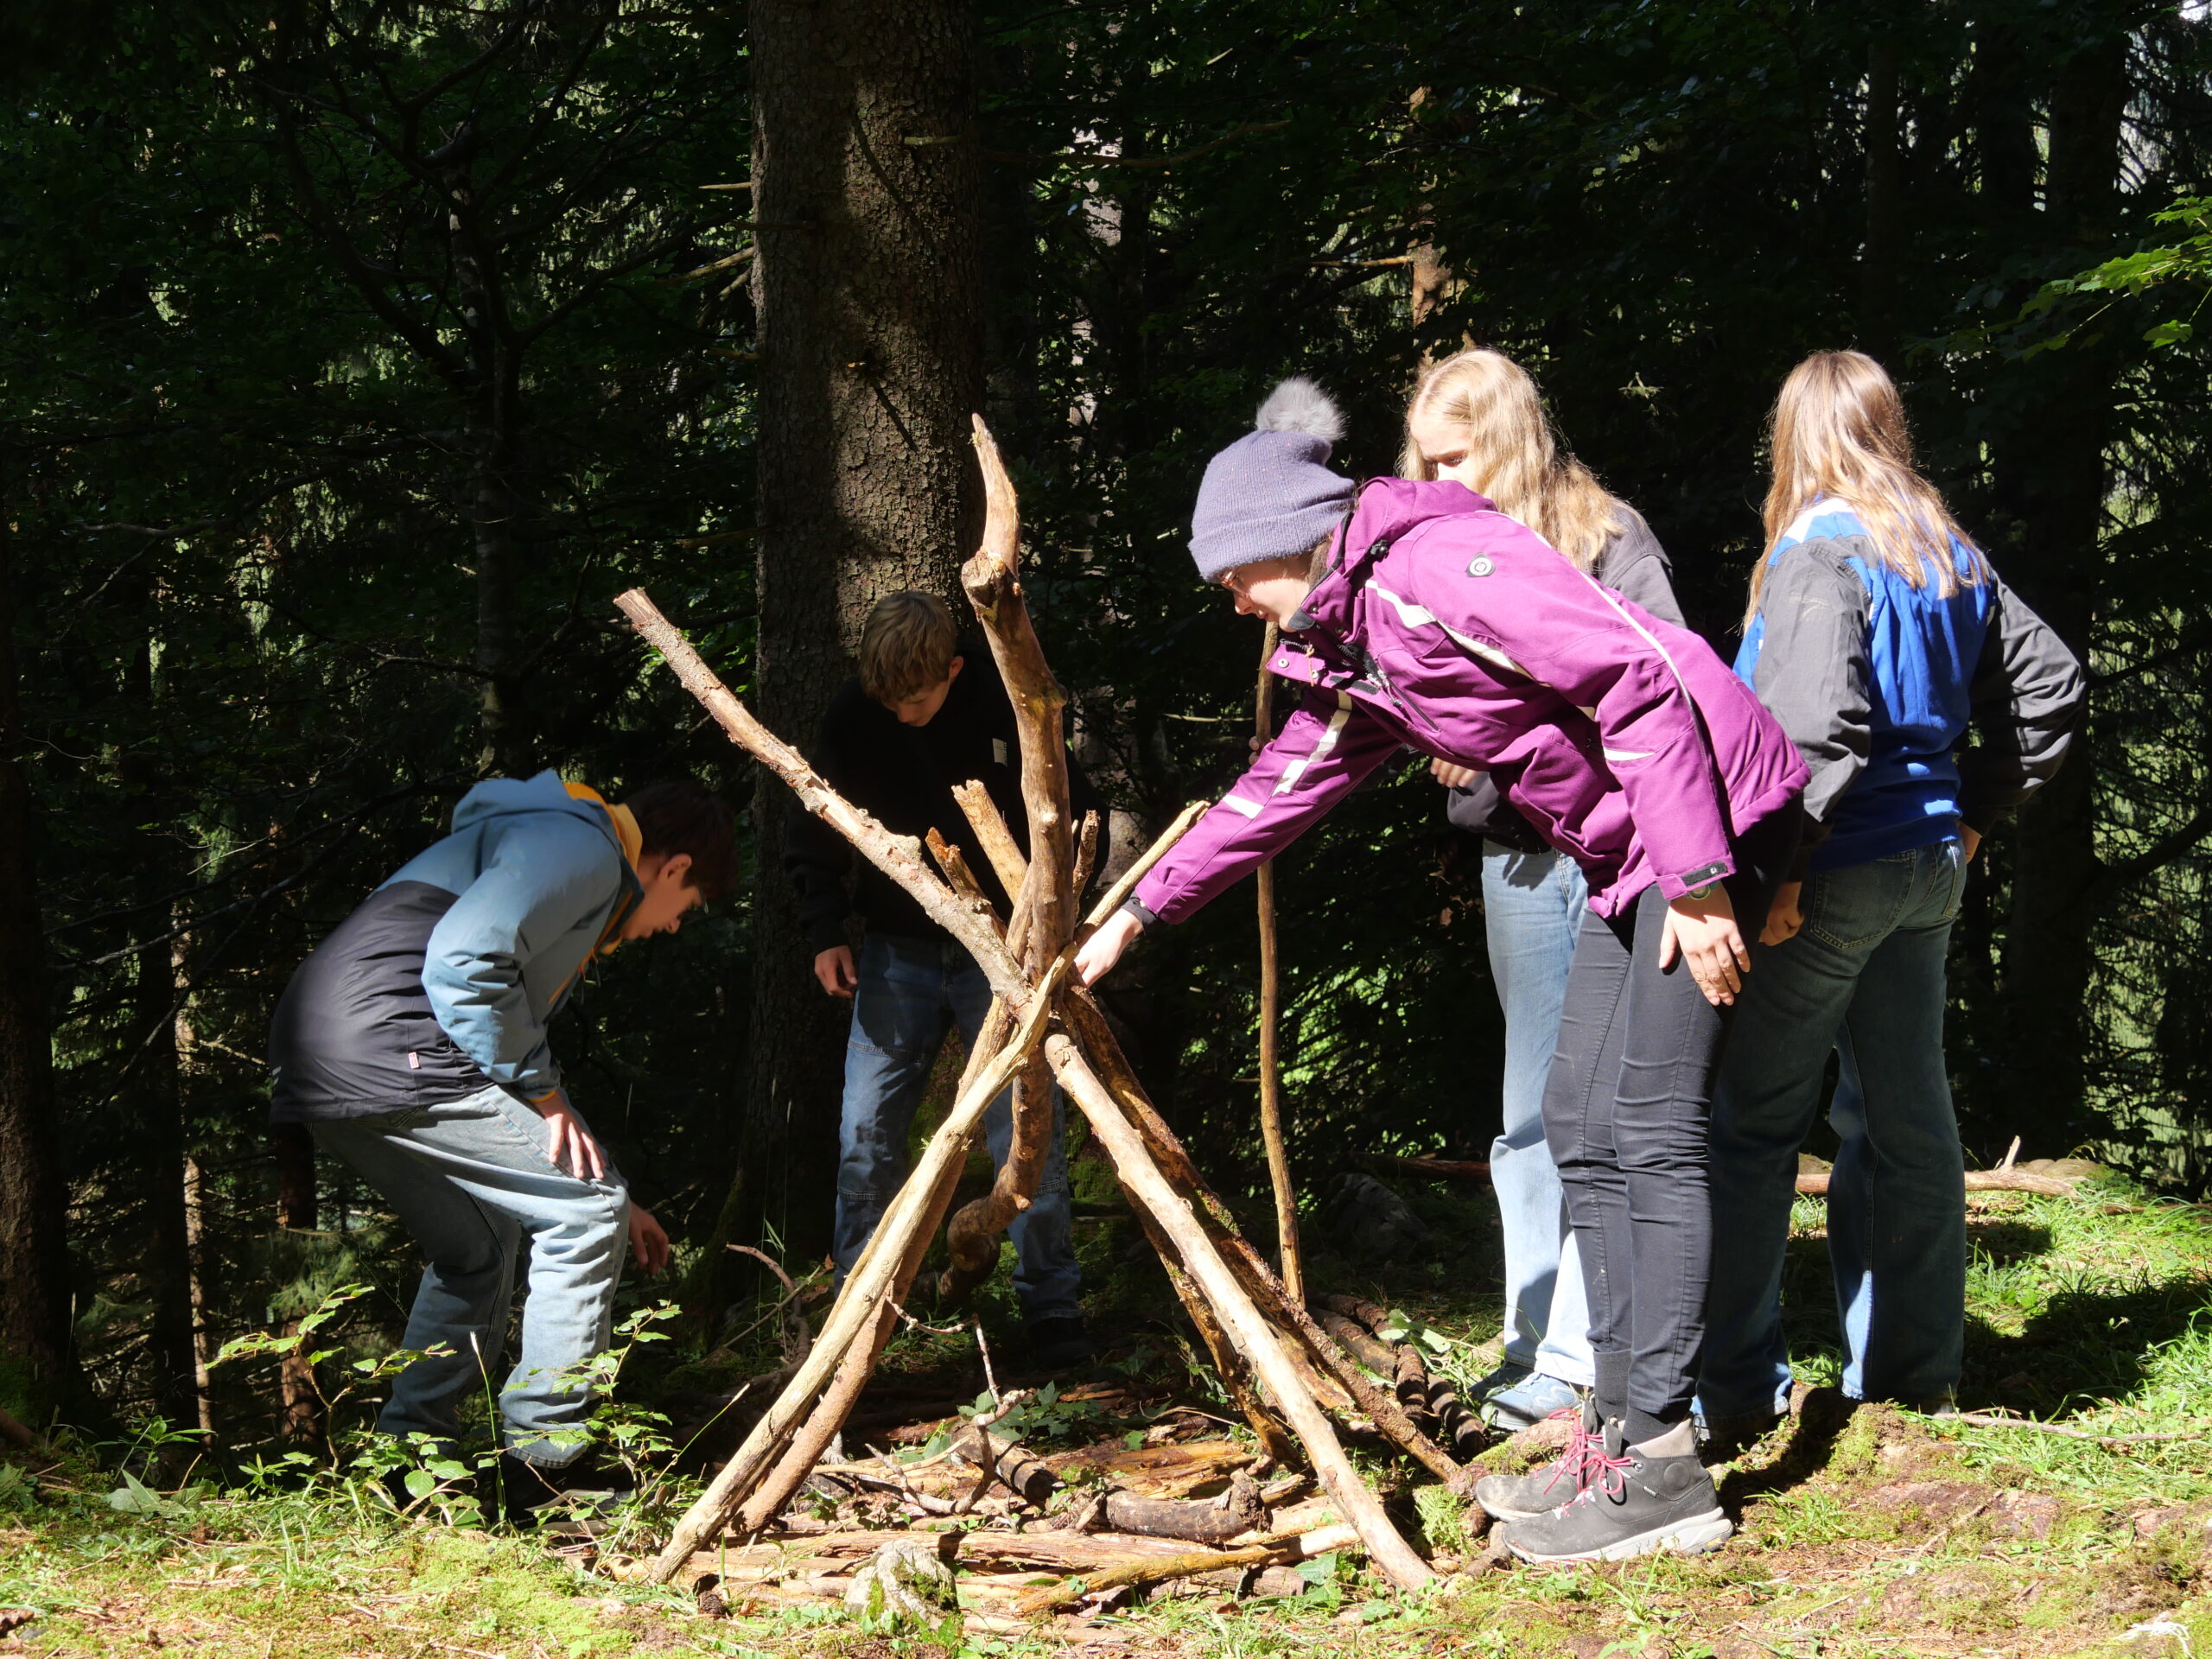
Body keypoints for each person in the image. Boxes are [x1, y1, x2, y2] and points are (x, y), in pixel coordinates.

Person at [1077, 376, 1806, 1562]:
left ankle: (1666, 1466)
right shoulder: (1355, 636)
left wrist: (1699, 877)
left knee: (1651, 1125)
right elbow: (1276, 791)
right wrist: (1135, 916)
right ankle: (1614, 1432)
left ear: (1285, 537)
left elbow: (1637, 677)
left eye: (1232, 575)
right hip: (1633, 846)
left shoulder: (1437, 568)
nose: (1232, 601)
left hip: (1705, 818)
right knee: (1580, 1120)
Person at [1698, 352, 2083, 1438]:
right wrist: (1969, 817)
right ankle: (1915, 1382)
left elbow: (1815, 734)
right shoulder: (1943, 550)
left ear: (1793, 438)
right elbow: (2051, 687)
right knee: (1906, 1120)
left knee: (1753, 1126)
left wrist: (1781, 873)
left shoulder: (1815, 555)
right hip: (1923, 869)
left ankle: (1732, 1390)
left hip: (1833, 871)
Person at [268, 772, 735, 1518]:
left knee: (478, 1249)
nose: (676, 925)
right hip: (390, 1041)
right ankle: (549, 1464)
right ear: (674, 867)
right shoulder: (584, 848)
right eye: (691, 904)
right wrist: (596, 1188)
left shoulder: (549, 840)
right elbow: (463, 967)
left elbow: (501, 1057)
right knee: (584, 1214)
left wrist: (611, 1186)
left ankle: (409, 1467)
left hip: (323, 1052)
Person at [1401, 347, 1688, 1433]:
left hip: (1611, 857)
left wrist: (1508, 736)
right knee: (1527, 1113)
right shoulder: (1436, 552)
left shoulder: (1607, 537)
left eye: (1456, 459)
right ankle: (1532, 1342)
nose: (1439, 480)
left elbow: (1664, 687)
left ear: (1511, 440)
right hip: (1513, 859)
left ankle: (1580, 1356)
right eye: (1425, 461)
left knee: (1597, 1108)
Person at [787, 591, 1103, 1370]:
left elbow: (1071, 809)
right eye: (889, 704)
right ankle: (859, 1311)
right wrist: (825, 930)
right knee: (866, 1133)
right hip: (895, 949)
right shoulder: (854, 715)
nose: (903, 717)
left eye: (918, 703)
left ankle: (1052, 1308)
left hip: (1004, 950)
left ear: (954, 670)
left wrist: (1056, 924)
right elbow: (815, 823)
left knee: (1025, 1130)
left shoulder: (1006, 700)